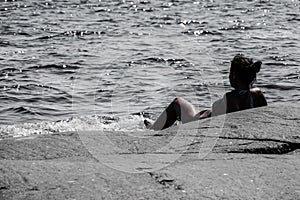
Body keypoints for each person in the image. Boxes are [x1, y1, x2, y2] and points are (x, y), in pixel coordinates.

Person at [144, 54, 267, 130]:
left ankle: (154, 128)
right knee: (202, 110)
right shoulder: (258, 94)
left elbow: (221, 113)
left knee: (177, 102)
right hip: (209, 116)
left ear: (233, 76)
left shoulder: (231, 98)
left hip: (199, 123)